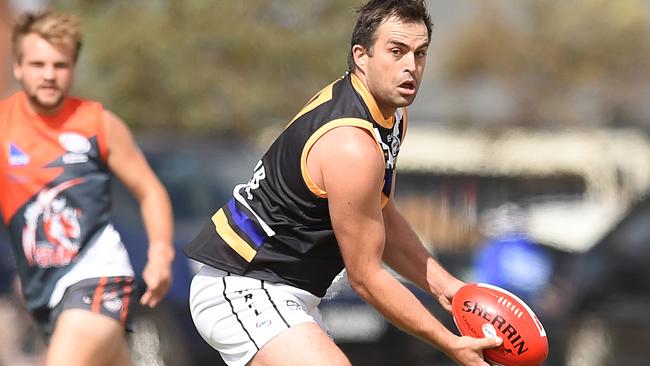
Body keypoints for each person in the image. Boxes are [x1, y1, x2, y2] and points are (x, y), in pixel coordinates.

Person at [185, 1, 502, 365]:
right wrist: (449, 342)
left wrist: (451, 289)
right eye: (396, 51)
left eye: (420, 53)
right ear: (361, 56)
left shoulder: (391, 117)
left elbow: (381, 215)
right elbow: (365, 277)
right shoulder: (352, 145)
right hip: (243, 283)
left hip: (285, 289)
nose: (410, 66)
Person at [0, 10, 175, 366]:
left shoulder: (98, 124)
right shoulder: (3, 125)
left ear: (73, 67)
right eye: (38, 64)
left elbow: (149, 189)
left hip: (99, 277)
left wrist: (160, 252)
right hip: (43, 290)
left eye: (60, 65)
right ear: (18, 67)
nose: (49, 75)